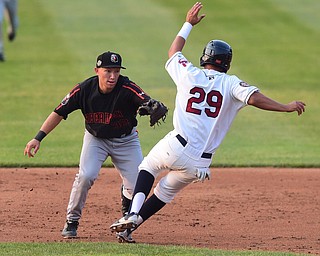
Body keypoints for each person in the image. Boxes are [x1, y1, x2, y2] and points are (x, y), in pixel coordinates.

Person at [109, 2, 306, 240]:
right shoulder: (231, 83)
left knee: (148, 167)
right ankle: (132, 227)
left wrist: (188, 24)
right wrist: (286, 107)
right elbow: (254, 98)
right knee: (164, 192)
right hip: (200, 165)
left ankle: (132, 213)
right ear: (227, 62)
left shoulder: (189, 72)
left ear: (205, 58)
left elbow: (173, 52)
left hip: (176, 146)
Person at [24, 51, 167, 243]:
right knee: (86, 176)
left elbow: (146, 100)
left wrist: (151, 105)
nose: (112, 76)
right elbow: (59, 112)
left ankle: (126, 212)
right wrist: (38, 137)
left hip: (126, 141)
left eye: (116, 71)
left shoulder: (127, 87)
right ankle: (72, 221)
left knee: (136, 186)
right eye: (108, 71)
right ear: (97, 70)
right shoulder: (84, 89)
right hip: (96, 140)